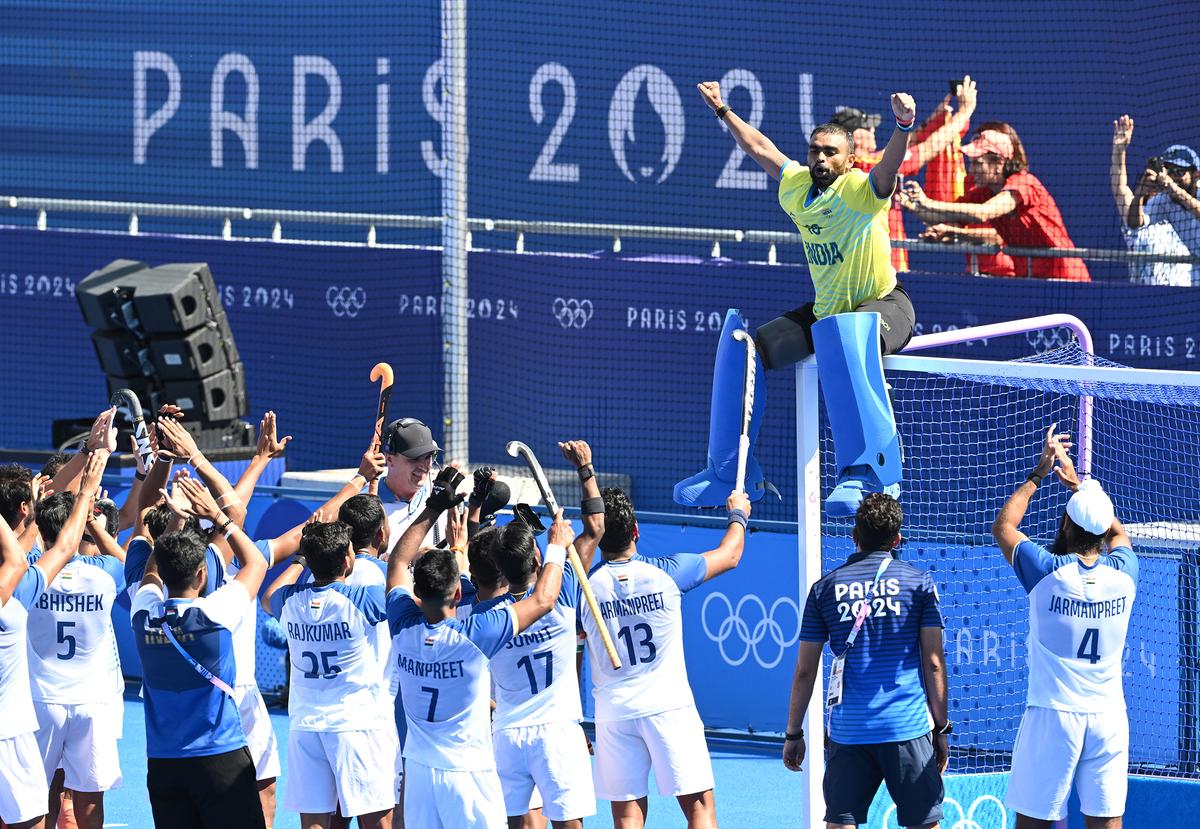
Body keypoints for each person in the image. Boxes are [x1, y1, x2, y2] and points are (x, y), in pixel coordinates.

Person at [680, 82, 918, 517]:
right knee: (744, 349)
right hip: (828, 312)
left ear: (849, 161)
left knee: (843, 335)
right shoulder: (796, 187)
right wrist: (722, 110)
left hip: (886, 306)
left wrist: (903, 125)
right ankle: (729, 472)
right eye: (815, 151)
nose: (821, 159)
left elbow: (889, 167)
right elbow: (759, 147)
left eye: (831, 152)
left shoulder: (863, 191)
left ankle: (869, 470)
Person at [386, 465, 570, 829]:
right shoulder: (475, 635)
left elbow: (397, 561)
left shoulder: (402, 625)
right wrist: (557, 547)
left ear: (416, 594)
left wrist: (434, 507)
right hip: (467, 773)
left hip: (420, 774)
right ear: (458, 592)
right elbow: (545, 599)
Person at [582, 480, 750, 829]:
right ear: (637, 531)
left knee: (627, 817)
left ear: (598, 537)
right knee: (700, 809)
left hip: (613, 712)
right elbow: (730, 555)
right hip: (668, 706)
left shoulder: (584, 589)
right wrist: (738, 513)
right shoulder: (668, 572)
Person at [992, 426, 1136, 829]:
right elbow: (1119, 533)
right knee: (1106, 822)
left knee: (1033, 823)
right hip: (1108, 718)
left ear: (1065, 527)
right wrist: (1081, 487)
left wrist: (1039, 474)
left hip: (1053, 716)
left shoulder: (1047, 573)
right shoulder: (1126, 574)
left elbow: (1004, 527)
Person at [782, 493, 948, 829]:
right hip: (907, 729)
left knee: (841, 823)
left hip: (849, 732)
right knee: (925, 824)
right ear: (897, 539)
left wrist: (793, 733)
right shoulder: (919, 583)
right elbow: (933, 662)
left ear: (854, 536)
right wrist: (942, 729)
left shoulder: (823, 589)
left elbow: (804, 672)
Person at [471, 440, 604, 829]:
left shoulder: (485, 614)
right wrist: (585, 468)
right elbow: (595, 527)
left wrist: (476, 509)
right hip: (558, 733)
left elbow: (475, 553)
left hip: (508, 734)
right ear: (535, 560)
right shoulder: (560, 592)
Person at [131, 475, 268, 829]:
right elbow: (256, 563)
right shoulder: (214, 614)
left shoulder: (143, 614)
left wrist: (174, 524)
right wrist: (219, 517)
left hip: (164, 764)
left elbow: (151, 575)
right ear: (202, 573)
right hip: (219, 759)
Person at [265, 520, 396, 829]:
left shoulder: (291, 600)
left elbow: (268, 595)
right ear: (348, 561)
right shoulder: (362, 599)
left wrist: (300, 560)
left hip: (306, 724)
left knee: (314, 821)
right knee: (377, 819)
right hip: (356, 724)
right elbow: (402, 591)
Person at [0, 448, 106, 829]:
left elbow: (28, 546)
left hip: (36, 713)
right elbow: (61, 547)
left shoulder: (17, 584)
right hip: (11, 732)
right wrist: (87, 486)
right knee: (30, 817)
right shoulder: (16, 598)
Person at [26, 491, 127, 829]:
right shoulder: (107, 572)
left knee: (35, 796)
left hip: (41, 700)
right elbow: (126, 560)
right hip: (92, 702)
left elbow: (19, 550)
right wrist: (93, 525)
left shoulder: (30, 572)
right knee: (90, 797)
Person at [899, 126, 1090, 281]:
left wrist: (927, 202)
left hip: (1066, 278)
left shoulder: (1025, 183)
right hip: (1028, 281)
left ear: (999, 163)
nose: (972, 170)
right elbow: (942, 217)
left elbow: (984, 212)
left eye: (977, 163)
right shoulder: (983, 192)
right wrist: (911, 204)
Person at [837, 75, 979, 272]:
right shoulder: (871, 168)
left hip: (873, 264)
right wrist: (964, 112)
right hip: (881, 269)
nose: (873, 130)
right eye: (867, 127)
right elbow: (928, 148)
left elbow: (906, 143)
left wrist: (932, 122)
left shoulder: (858, 166)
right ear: (855, 137)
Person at [1115, 118, 1200, 287]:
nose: (1173, 176)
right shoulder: (1163, 201)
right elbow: (1135, 223)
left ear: (1196, 175)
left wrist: (1173, 188)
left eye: (1179, 171)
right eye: (1169, 170)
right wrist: (1140, 194)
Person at [378, 418, 446, 549]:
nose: (423, 465)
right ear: (390, 459)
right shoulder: (365, 501)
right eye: (414, 459)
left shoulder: (443, 497)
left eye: (428, 456)